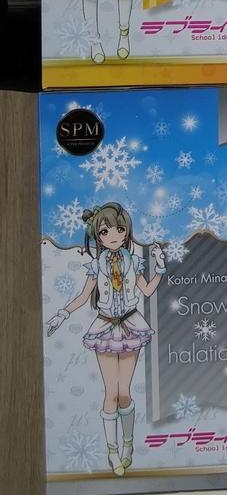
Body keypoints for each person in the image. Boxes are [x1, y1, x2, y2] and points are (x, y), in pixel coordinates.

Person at [46, 202, 165, 476]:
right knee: (111, 393)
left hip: (131, 325)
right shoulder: (95, 265)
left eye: (119, 230)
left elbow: (147, 290)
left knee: (124, 393)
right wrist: (62, 314)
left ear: (127, 232)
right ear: (97, 236)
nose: (113, 236)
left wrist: (159, 267)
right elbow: (82, 296)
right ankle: (112, 452)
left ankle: (128, 446)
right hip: (105, 328)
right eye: (105, 231)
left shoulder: (133, 261)